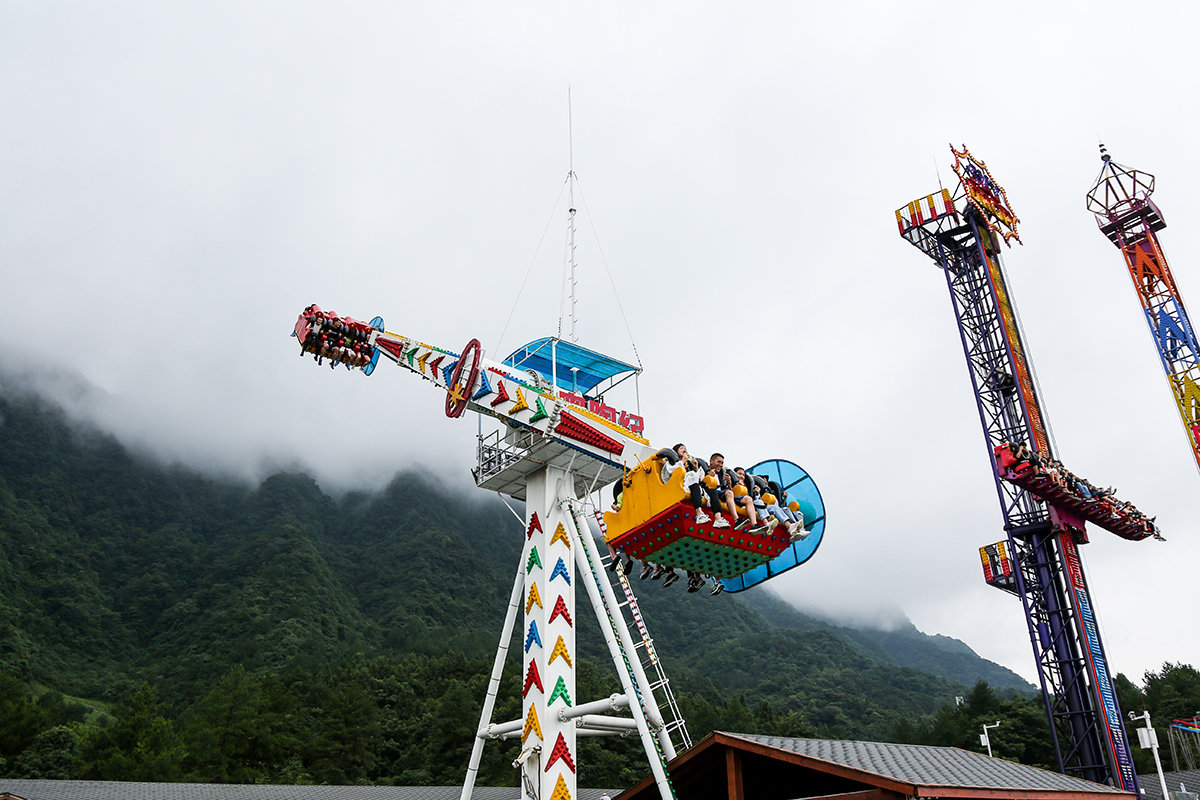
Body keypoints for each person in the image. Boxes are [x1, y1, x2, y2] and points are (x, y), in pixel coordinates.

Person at [704, 453, 744, 530]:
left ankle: (737, 520)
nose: (721, 465)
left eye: (722, 463)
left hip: (720, 493)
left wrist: (729, 482)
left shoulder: (721, 475)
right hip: (709, 491)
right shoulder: (704, 470)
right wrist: (709, 476)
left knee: (729, 493)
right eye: (718, 462)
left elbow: (729, 491)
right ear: (711, 461)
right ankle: (719, 518)